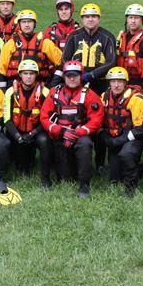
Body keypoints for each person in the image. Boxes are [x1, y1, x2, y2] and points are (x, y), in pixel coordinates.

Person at [40, 60, 104, 197]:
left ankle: (84, 185)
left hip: (79, 137)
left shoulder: (90, 95)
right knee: (65, 177)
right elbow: (44, 117)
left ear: (81, 76)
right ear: (63, 76)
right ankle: (45, 178)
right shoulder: (54, 93)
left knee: (86, 143)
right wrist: (61, 131)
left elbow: (97, 120)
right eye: (69, 75)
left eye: (75, 75)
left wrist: (77, 133)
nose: (72, 78)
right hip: (59, 137)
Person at [97, 66, 143, 197]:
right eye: (113, 81)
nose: (116, 85)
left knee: (126, 154)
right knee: (114, 178)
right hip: (115, 137)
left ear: (125, 83)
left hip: (132, 138)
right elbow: (100, 120)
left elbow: (139, 130)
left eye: (120, 81)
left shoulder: (136, 99)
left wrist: (119, 141)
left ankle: (130, 188)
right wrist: (106, 137)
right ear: (109, 83)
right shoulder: (104, 96)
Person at [4, 60, 53, 185]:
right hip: (17, 132)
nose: (28, 77)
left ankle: (45, 178)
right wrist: (17, 136)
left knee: (44, 141)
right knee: (23, 167)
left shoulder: (45, 92)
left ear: (36, 75)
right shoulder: (10, 92)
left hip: (37, 131)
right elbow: (7, 119)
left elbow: (48, 119)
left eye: (32, 73)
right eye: (25, 73)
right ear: (20, 75)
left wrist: (32, 134)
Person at [56, 3, 116, 94]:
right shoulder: (73, 36)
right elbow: (65, 59)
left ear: (99, 18)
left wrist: (92, 74)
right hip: (77, 81)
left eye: (94, 16)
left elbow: (111, 62)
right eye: (87, 17)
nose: (90, 19)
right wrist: (77, 73)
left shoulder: (108, 37)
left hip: (101, 82)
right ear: (82, 19)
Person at [0, 9, 63, 88]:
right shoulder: (11, 44)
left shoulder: (45, 43)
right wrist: (3, 90)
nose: (27, 25)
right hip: (15, 86)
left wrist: (53, 84)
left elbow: (61, 62)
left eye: (29, 22)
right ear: (19, 24)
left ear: (34, 24)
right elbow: (1, 70)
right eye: (24, 22)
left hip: (40, 87)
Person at [116, 4, 143, 94]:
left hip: (139, 84)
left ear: (142, 20)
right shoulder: (121, 38)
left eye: (137, 18)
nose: (133, 21)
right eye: (131, 18)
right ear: (127, 19)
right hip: (120, 83)